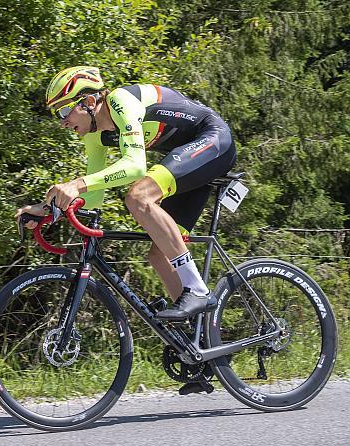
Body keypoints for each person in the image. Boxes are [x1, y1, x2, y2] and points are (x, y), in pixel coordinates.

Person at [15, 66, 237, 321]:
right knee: (158, 254)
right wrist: (47, 209)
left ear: (89, 101)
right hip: (187, 160)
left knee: (138, 196)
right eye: (58, 114)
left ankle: (197, 290)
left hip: (213, 140)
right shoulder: (95, 135)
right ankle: (198, 340)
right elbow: (93, 198)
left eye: (65, 110)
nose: (63, 121)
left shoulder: (120, 101)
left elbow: (134, 166)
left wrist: (76, 184)